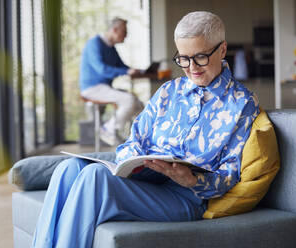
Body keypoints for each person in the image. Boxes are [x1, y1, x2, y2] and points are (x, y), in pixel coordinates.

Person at [32, 11, 260, 248]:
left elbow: (231, 175)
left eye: (200, 57)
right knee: (68, 169)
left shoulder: (242, 104)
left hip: (185, 197)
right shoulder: (167, 92)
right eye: (183, 58)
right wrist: (131, 161)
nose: (192, 68)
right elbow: (134, 140)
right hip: (147, 180)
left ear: (222, 50)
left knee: (94, 178)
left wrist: (192, 180)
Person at [79, 17, 143, 146]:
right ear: (115, 30)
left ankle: (139, 137)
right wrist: (126, 72)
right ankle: (108, 130)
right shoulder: (94, 44)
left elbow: (122, 66)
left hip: (105, 88)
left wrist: (134, 70)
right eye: (124, 32)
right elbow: (101, 69)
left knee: (139, 105)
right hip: (92, 88)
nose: (126, 35)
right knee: (128, 100)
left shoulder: (111, 48)